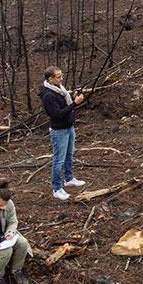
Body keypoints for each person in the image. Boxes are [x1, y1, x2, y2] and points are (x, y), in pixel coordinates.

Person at [40, 65, 87, 201]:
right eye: (58, 76)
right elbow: (57, 114)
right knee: (58, 159)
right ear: (50, 79)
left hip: (68, 126)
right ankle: (57, 188)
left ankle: (69, 178)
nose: (61, 78)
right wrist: (75, 104)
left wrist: (72, 98)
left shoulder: (60, 90)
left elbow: (64, 105)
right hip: (59, 130)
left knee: (69, 154)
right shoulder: (48, 95)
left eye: (61, 75)